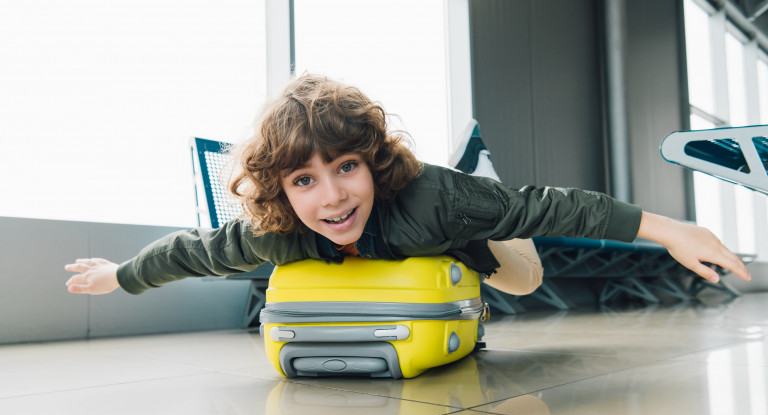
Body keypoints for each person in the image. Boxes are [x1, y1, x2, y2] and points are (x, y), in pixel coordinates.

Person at [65, 74, 751, 297]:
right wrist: (120, 274)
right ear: (280, 193)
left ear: (370, 164)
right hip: (411, 231)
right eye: (305, 180)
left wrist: (673, 231)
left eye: (346, 167)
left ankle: (476, 184)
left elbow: (552, 205)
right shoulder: (274, 235)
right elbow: (194, 250)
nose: (331, 196)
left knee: (520, 280)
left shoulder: (433, 200)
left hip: (483, 227)